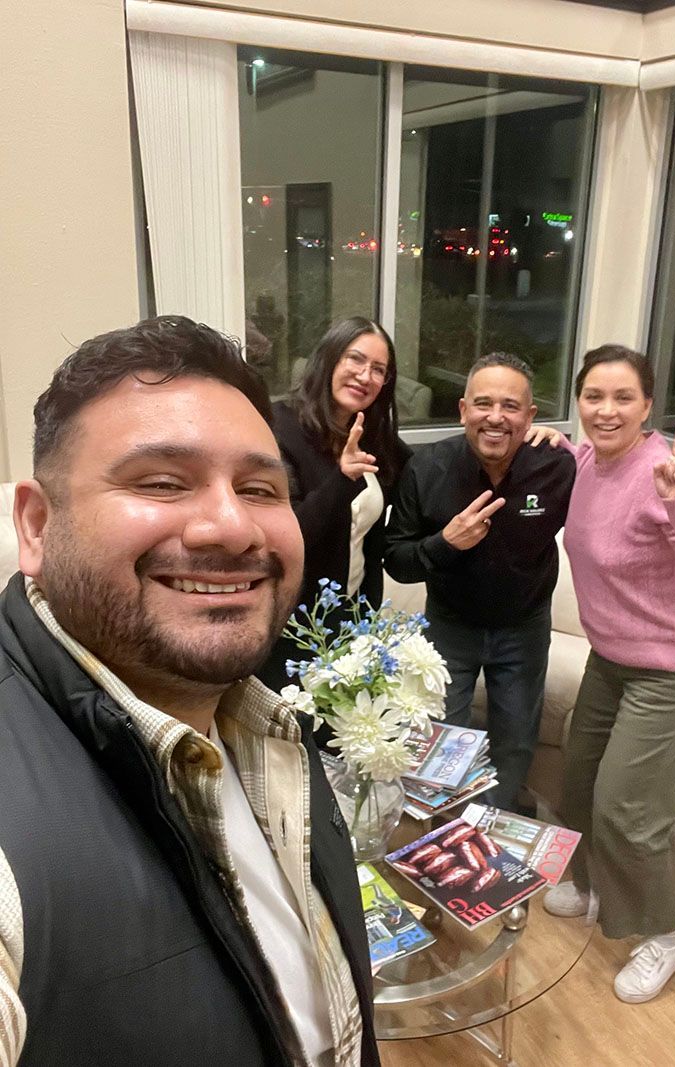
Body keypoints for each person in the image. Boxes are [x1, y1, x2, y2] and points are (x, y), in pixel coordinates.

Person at [0, 316, 379, 1066]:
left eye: (260, 488)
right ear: (37, 525)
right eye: (163, 481)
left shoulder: (257, 718)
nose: (231, 526)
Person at [541, 344, 675, 1004]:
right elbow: (577, 469)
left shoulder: (671, 475)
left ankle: (663, 931)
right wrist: (549, 441)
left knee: (627, 811)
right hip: (612, 660)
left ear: (648, 406)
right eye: (594, 395)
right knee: (577, 777)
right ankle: (596, 884)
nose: (606, 409)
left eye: (623, 397)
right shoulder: (589, 459)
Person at [384, 352, 575, 811]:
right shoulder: (427, 468)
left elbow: (608, 503)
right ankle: (442, 835)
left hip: (523, 629)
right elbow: (396, 560)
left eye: (511, 407)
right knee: (438, 745)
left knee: (514, 745)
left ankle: (492, 832)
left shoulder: (555, 467)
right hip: (450, 627)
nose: (496, 417)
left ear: (530, 417)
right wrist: (445, 543)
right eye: (483, 404)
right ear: (463, 409)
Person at [260, 317, 410, 690]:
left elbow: (432, 466)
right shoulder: (280, 428)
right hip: (290, 626)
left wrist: (523, 440)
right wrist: (342, 479)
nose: (365, 375)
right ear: (329, 360)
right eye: (355, 360)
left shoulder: (373, 437)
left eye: (379, 370)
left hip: (353, 620)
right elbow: (289, 532)